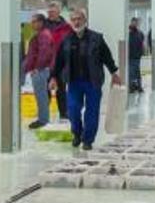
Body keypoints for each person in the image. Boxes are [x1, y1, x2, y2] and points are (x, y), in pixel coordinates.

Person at [49, 9, 121, 151]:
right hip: (74, 82)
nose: (76, 22)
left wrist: (114, 73)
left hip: (93, 82)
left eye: (79, 19)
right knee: (73, 110)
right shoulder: (66, 40)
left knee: (92, 112)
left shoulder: (97, 38)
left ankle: (88, 140)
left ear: (85, 20)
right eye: (74, 19)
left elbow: (107, 57)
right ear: (71, 21)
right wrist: (53, 77)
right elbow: (59, 61)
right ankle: (77, 133)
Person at [21, 13, 56, 129]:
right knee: (41, 95)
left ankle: (43, 120)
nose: (32, 24)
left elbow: (45, 53)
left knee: (41, 96)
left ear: (41, 22)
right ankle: (42, 118)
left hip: (41, 71)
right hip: (40, 70)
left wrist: (38, 68)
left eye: (34, 21)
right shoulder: (41, 34)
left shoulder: (44, 35)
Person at [44, 2, 73, 121]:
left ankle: (64, 113)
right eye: (49, 12)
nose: (50, 14)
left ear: (59, 12)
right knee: (45, 89)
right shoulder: (43, 25)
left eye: (53, 11)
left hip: (61, 62)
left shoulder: (66, 27)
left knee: (61, 88)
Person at [127, 18, 145, 93]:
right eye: (133, 23)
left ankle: (139, 86)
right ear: (131, 23)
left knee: (137, 71)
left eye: (136, 23)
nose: (134, 24)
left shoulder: (140, 33)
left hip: (137, 56)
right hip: (130, 56)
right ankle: (132, 86)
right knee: (131, 72)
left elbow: (142, 44)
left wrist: (142, 52)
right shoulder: (128, 33)